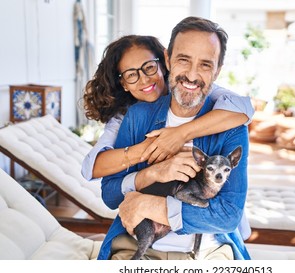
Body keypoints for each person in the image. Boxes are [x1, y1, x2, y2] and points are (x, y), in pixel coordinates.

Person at [98, 16, 251, 260]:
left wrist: (148, 205)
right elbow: (110, 194)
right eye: (183, 60)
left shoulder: (232, 126)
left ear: (217, 71)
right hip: (140, 247)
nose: (192, 75)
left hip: (209, 252)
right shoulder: (138, 117)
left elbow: (228, 216)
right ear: (168, 59)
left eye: (205, 65)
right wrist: (152, 174)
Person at [81, 35, 254, 181]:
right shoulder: (127, 115)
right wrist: (148, 148)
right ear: (123, 83)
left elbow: (243, 108)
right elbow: (91, 167)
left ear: (164, 65)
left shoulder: (190, 88)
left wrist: (179, 134)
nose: (144, 79)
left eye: (149, 67)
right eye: (132, 74)